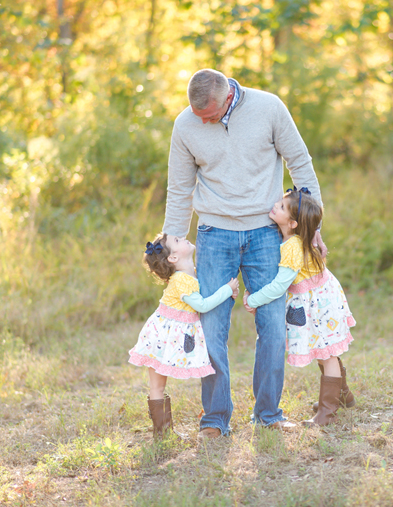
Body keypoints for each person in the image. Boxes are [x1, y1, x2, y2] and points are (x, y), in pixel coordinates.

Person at [162, 68, 326, 438]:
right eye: (196, 114)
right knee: (211, 326)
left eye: (209, 115)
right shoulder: (186, 125)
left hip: (266, 234)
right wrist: (169, 248)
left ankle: (268, 413)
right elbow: (179, 190)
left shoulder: (268, 108)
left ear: (227, 97)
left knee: (272, 325)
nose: (201, 121)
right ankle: (215, 419)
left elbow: (300, 164)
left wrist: (313, 230)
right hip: (214, 234)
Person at [244, 188, 356, 426]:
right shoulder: (292, 239)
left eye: (282, 207)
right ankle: (341, 397)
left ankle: (328, 411)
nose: (276, 205)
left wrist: (253, 300)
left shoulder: (293, 246)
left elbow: (279, 286)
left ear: (293, 223)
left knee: (327, 354)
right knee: (325, 349)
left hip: (320, 303)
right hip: (319, 298)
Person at [128, 233, 239, 440]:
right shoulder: (182, 280)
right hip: (162, 337)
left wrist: (226, 293)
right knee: (157, 385)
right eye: (177, 241)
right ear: (173, 258)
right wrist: (227, 289)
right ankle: (162, 433)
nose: (182, 237)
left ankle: (163, 433)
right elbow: (202, 305)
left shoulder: (191, 275)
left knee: (158, 385)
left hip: (165, 334)